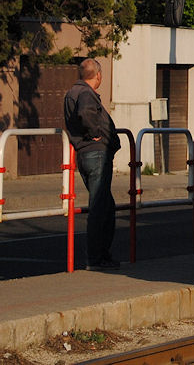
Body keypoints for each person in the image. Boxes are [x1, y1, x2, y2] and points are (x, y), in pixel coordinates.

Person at [63, 58, 120, 270]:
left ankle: (101, 255)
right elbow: (86, 113)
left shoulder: (73, 92)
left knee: (105, 205)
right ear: (97, 75)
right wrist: (95, 133)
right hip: (95, 154)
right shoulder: (86, 94)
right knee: (99, 206)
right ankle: (97, 258)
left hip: (87, 154)